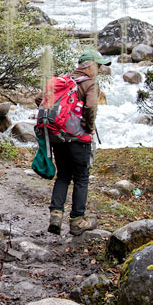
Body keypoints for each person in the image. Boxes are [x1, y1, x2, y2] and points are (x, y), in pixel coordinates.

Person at [46, 48, 110, 236]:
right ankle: (77, 221)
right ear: (89, 66)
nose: (99, 70)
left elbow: (38, 99)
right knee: (81, 178)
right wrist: (89, 127)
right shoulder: (89, 84)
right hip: (78, 139)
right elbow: (90, 106)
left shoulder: (63, 81)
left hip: (58, 137)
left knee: (63, 175)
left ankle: (56, 216)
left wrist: (59, 120)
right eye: (98, 66)